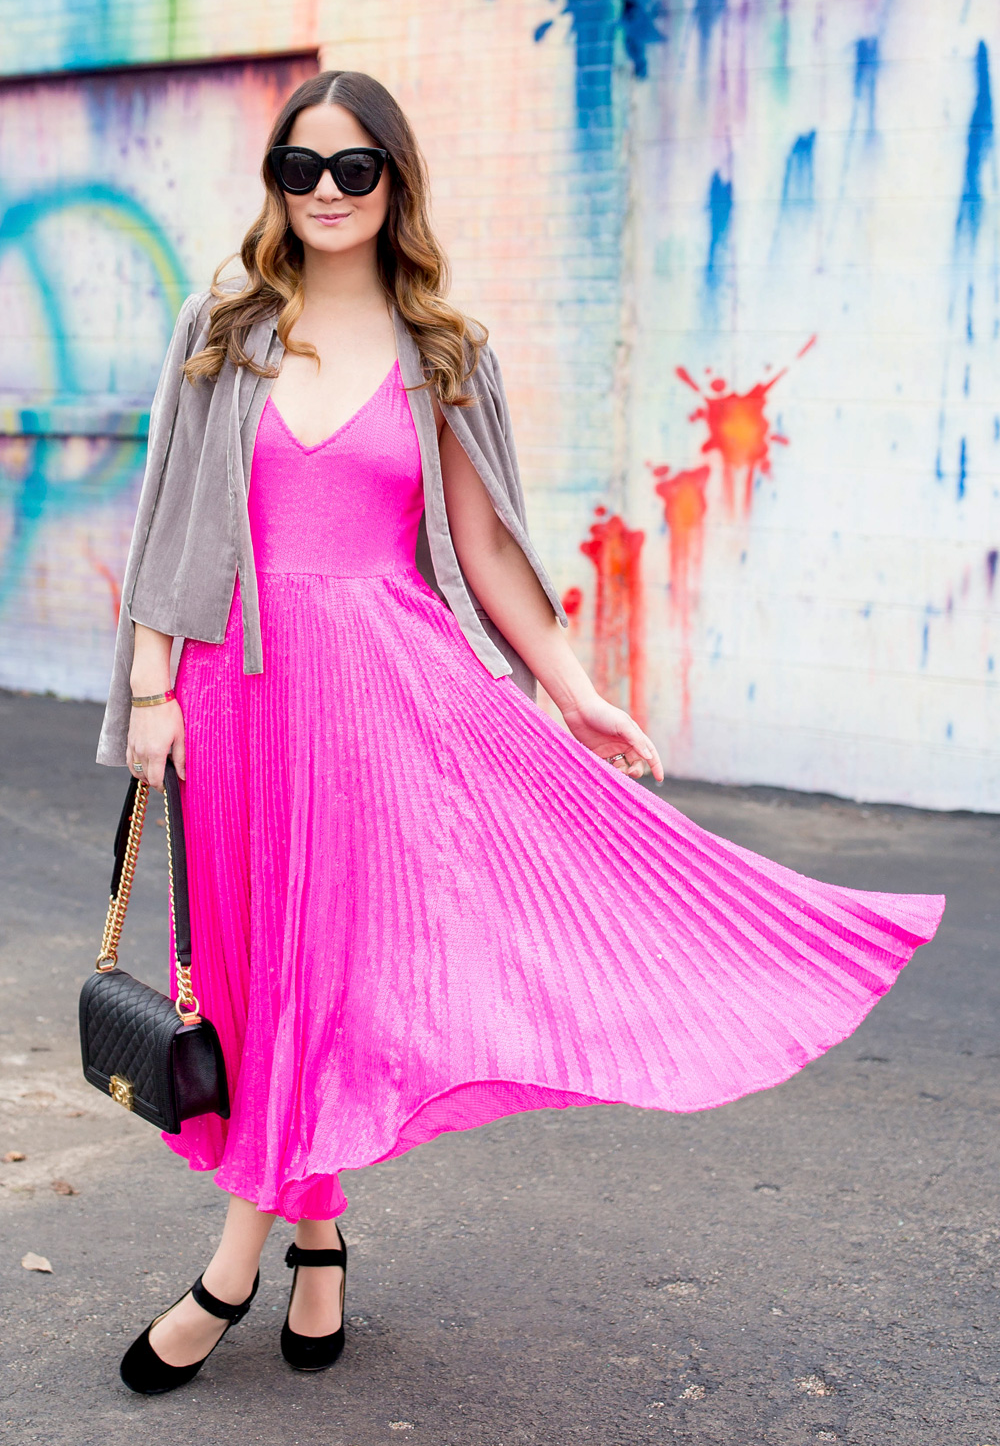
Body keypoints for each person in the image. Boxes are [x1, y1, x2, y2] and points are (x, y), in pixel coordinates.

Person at [95, 70, 945, 1394]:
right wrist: (150, 687)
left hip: (384, 703)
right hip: (236, 698)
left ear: (395, 183)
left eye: (354, 169)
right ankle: (319, 1242)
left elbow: (485, 543)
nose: (326, 193)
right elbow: (170, 519)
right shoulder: (226, 324)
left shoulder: (445, 347)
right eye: (300, 170)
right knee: (264, 980)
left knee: (328, 976)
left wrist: (573, 683)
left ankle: (230, 1270)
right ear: (275, 184)